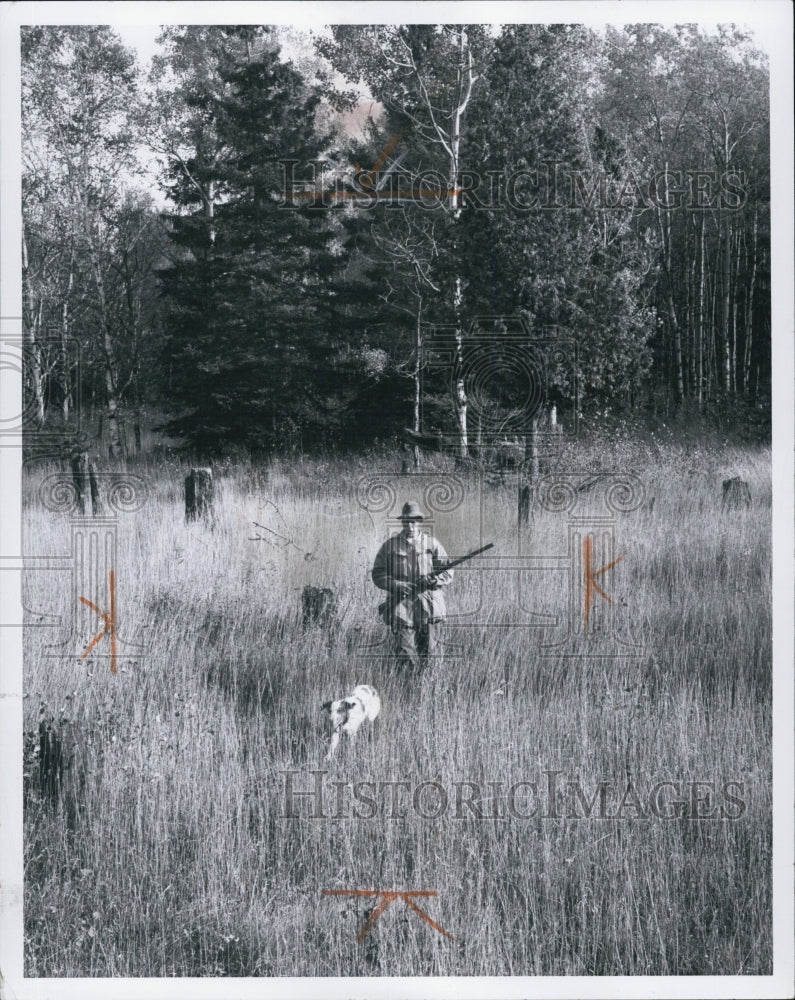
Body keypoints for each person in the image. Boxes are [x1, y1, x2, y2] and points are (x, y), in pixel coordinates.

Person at [371, 500, 454, 669]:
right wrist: (397, 585)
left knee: (430, 655)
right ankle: (408, 687)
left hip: (428, 606)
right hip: (401, 607)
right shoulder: (390, 546)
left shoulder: (432, 543)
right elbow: (378, 574)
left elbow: (448, 571)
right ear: (402, 522)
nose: (410, 525)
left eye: (414, 521)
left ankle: (427, 689)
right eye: (407, 521)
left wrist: (434, 581)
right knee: (403, 654)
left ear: (419, 522)